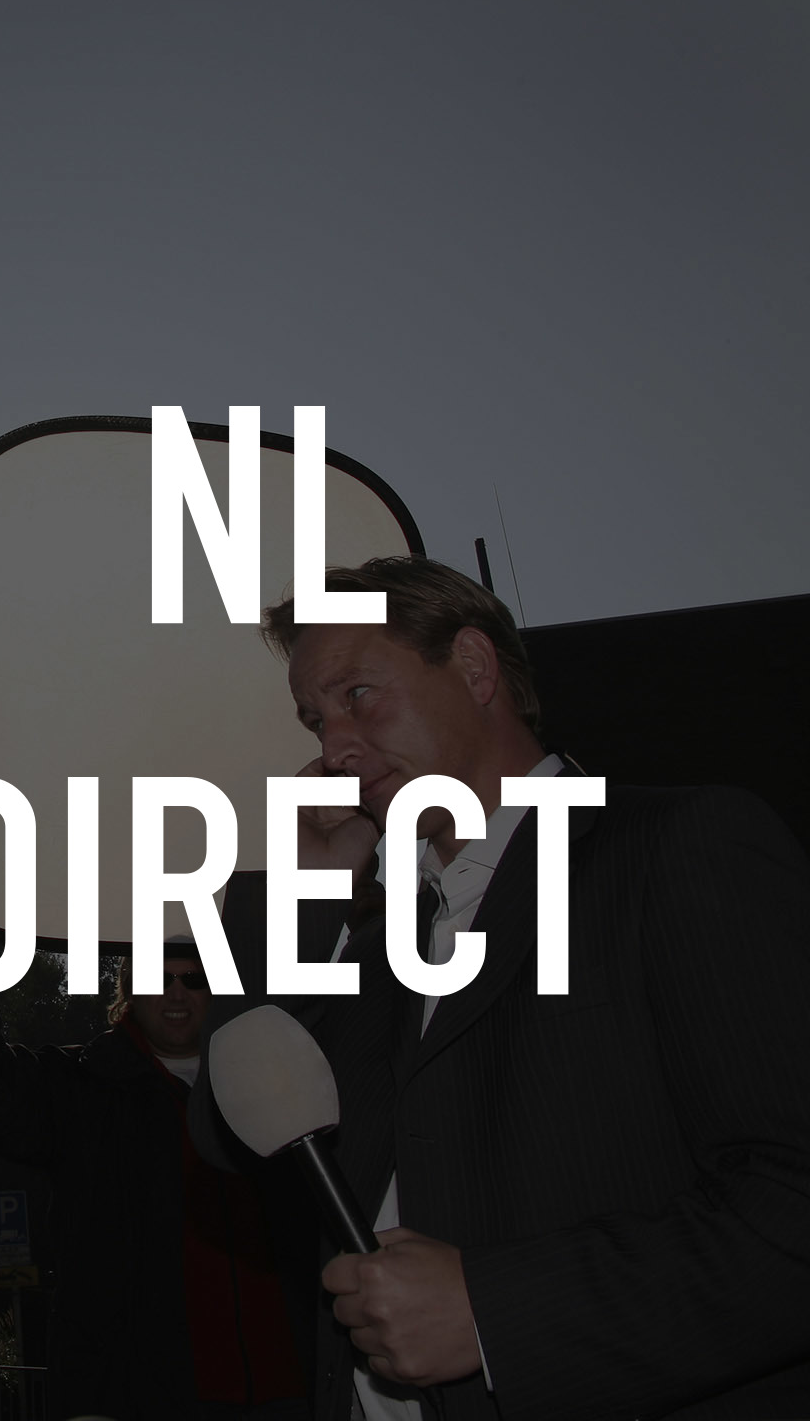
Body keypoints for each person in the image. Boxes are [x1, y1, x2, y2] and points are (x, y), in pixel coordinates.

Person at [190, 555, 810, 1421]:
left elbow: (790, 1204)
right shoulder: (376, 943)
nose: (332, 749)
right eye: (315, 720)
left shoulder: (676, 847)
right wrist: (301, 897)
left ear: (475, 667)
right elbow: (230, 1135)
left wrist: (493, 1314)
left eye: (358, 695)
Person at [0, 895, 314, 1421]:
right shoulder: (83, 1089)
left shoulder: (279, 1085)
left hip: (288, 1392)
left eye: (194, 978)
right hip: (136, 1397)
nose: (176, 992)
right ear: (129, 987)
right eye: (159, 977)